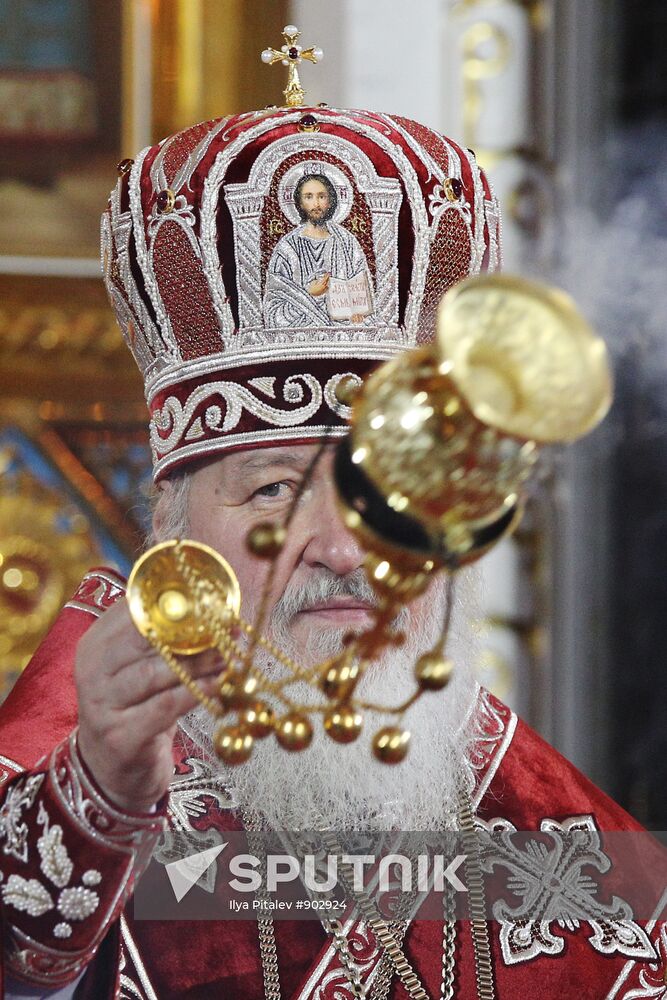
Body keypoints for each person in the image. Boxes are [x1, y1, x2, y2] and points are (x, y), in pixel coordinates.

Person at [0, 85, 664, 1000]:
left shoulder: (567, 850)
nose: (344, 550)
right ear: (177, 529)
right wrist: (100, 797)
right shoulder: (84, 764)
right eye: (273, 489)